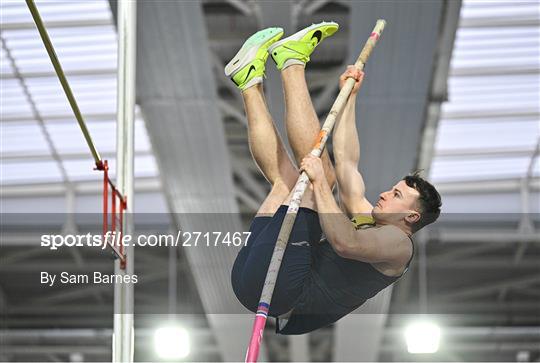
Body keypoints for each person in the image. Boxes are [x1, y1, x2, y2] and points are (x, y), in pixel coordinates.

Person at [227, 22, 442, 334]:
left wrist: (319, 185)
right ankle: (249, 80)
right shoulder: (371, 220)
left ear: (411, 216)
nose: (385, 194)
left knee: (319, 182)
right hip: (258, 278)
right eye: (392, 189)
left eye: (396, 196)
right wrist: (351, 96)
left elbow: (345, 242)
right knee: (289, 183)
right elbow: (347, 163)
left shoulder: (399, 246)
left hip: (282, 292)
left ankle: (291, 63)